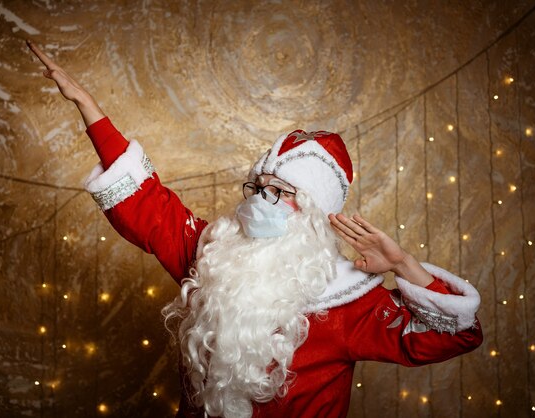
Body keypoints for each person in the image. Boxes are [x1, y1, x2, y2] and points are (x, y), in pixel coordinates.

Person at [27, 40, 483, 418]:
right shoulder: (212, 255)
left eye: (281, 191)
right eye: (259, 186)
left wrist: (403, 264)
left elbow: (455, 335)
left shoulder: (348, 301)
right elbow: (146, 202)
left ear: (312, 212)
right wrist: (89, 108)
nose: (260, 200)